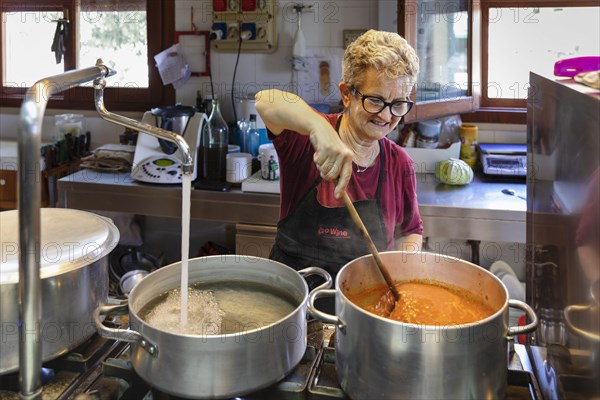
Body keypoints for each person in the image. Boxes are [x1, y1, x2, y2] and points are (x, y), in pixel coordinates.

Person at [255, 29, 423, 283]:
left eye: (398, 103)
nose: (387, 116)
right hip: (294, 300)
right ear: (346, 94)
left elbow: (410, 231)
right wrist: (317, 127)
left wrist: (401, 275)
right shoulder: (307, 141)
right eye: (376, 101)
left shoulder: (400, 163)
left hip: (363, 304)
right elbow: (265, 101)